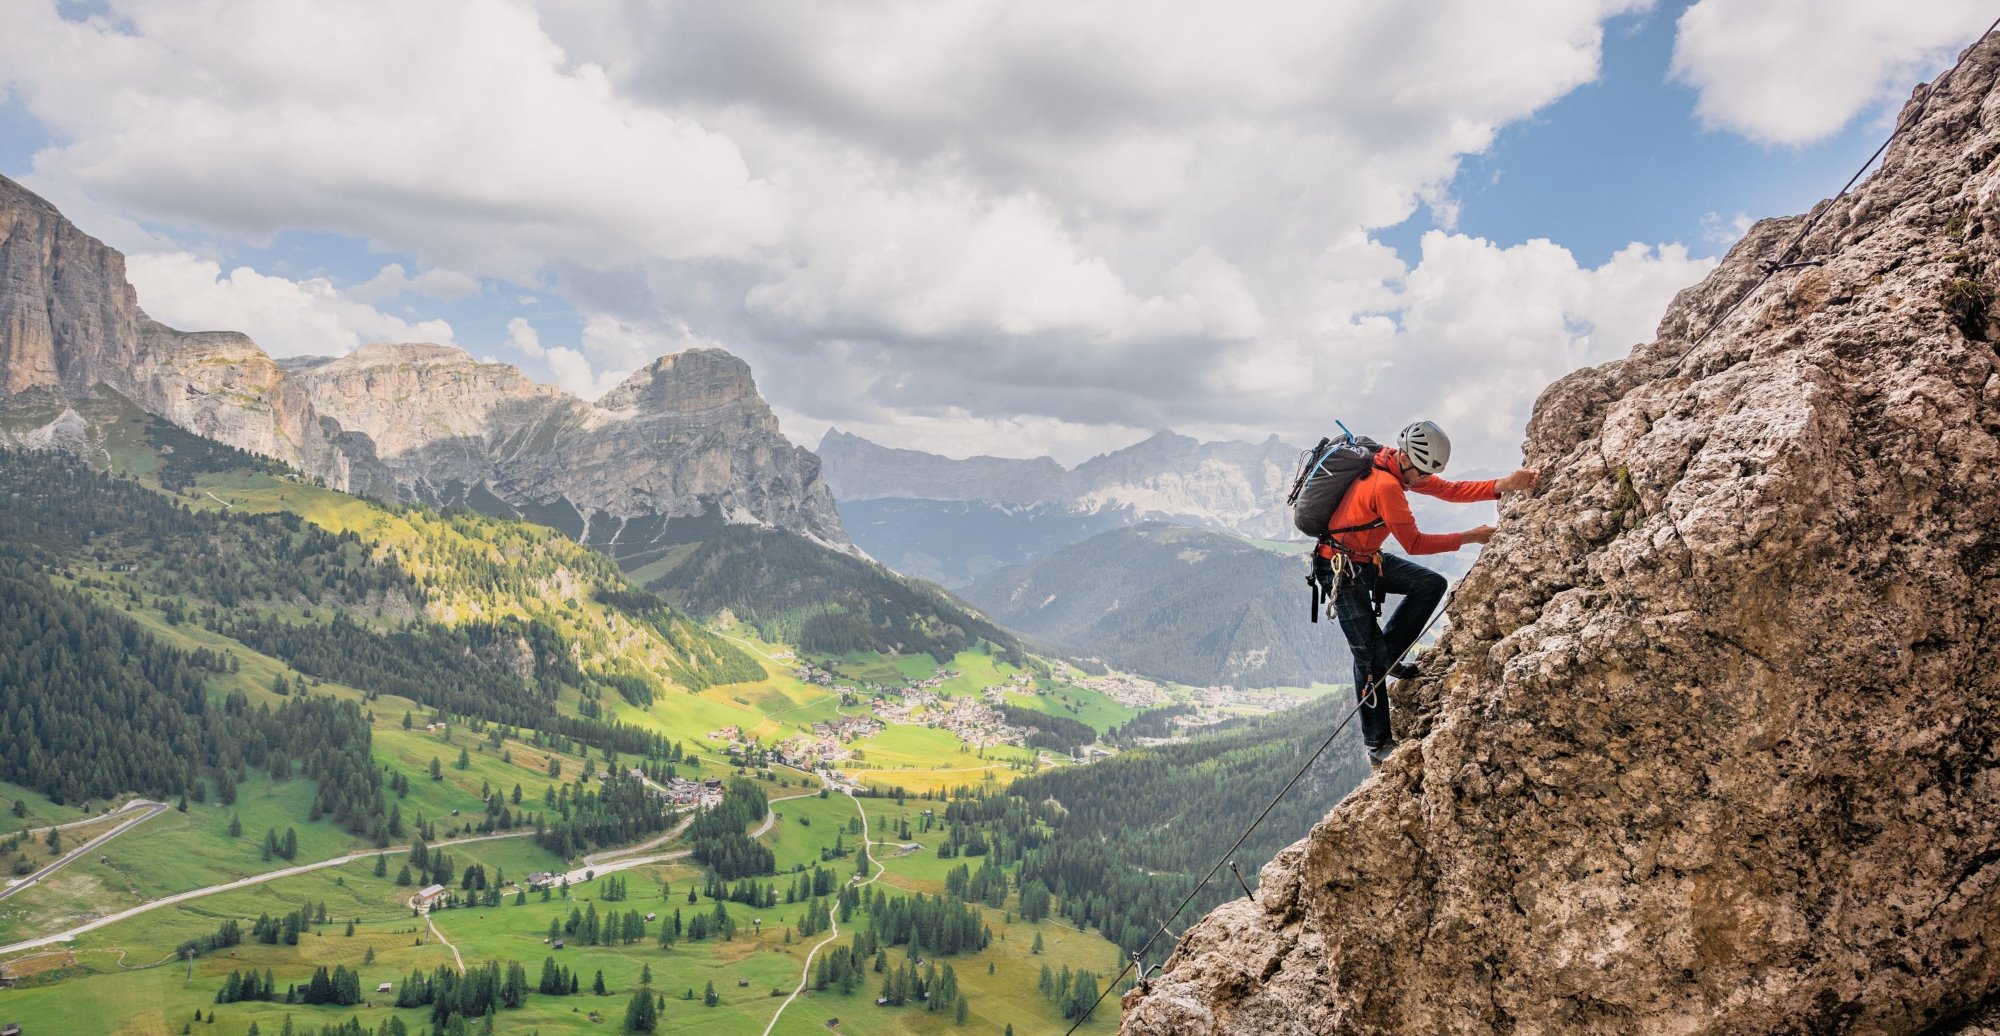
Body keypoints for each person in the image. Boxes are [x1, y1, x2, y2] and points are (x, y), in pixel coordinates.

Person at [1322, 420, 1539, 765]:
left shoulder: (1397, 465)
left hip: (1365, 559)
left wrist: (1505, 485)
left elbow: (1449, 490)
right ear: (1406, 459)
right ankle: (1376, 743)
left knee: (1430, 585)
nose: (1424, 480)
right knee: (1368, 658)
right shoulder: (1386, 485)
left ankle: (1389, 655)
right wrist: (1470, 536)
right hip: (1339, 570)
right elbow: (1414, 543)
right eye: (1421, 473)